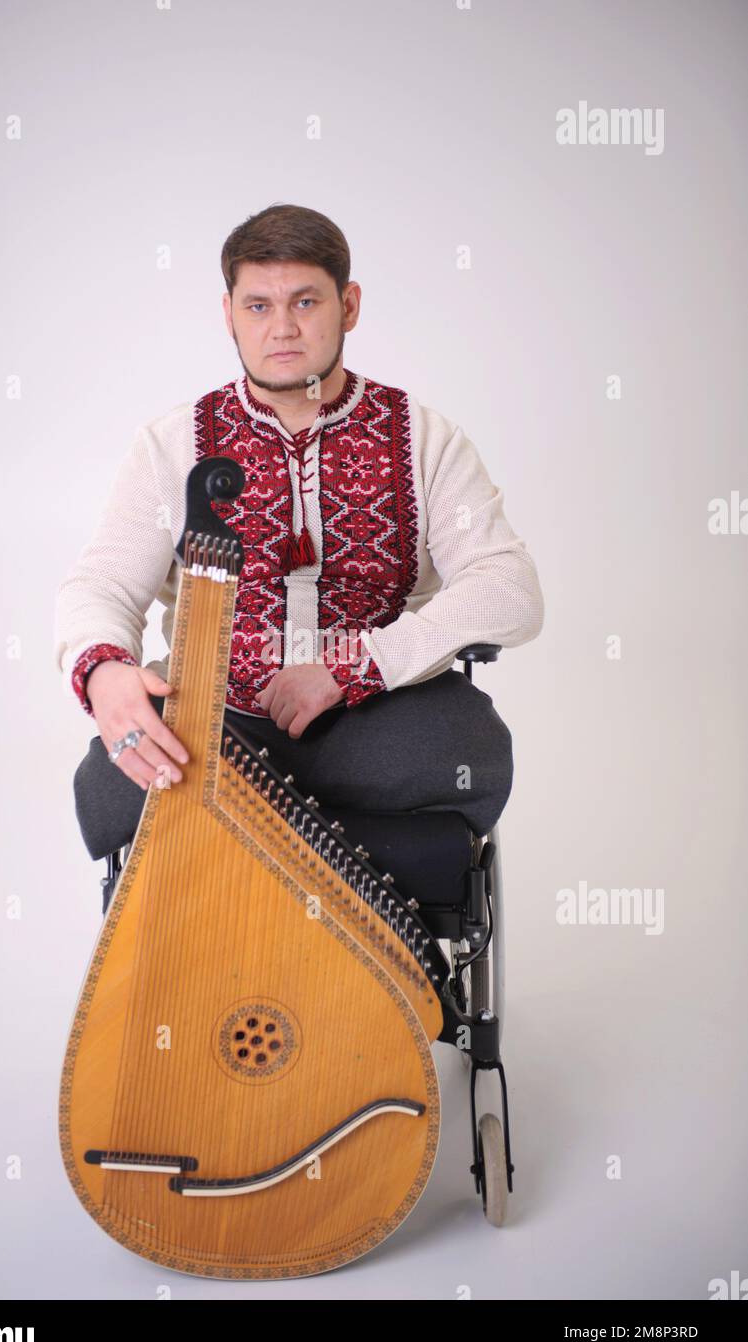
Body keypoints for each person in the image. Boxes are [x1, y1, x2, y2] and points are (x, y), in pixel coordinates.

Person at [53, 203, 545, 864]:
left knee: (464, 749)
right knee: (116, 786)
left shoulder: (424, 438)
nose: (281, 328)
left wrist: (354, 667)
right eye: (257, 306)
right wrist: (104, 668)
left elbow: (507, 588)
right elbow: (103, 582)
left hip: (373, 724)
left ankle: (278, 860)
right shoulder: (170, 445)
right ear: (227, 313)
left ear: (349, 305)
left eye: (304, 302)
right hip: (219, 727)